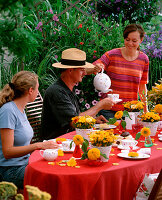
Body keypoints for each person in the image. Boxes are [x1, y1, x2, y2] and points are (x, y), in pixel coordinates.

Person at [0, 71, 59, 189]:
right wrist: (38, 146)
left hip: (25, 163)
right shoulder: (8, 111)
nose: (38, 92)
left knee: (58, 167)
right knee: (53, 179)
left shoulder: (20, 109)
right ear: (30, 90)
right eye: (37, 88)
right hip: (10, 171)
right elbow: (7, 152)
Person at [41, 48, 114, 140]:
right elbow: (74, 121)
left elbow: (75, 118)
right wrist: (100, 106)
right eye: (82, 70)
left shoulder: (67, 89)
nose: (84, 73)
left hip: (69, 140)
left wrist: (93, 121)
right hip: (56, 144)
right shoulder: (56, 92)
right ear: (70, 70)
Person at [86, 24, 149, 119]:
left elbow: (142, 87)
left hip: (130, 112)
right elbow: (87, 69)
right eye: (127, 40)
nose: (130, 43)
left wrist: (145, 110)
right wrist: (95, 68)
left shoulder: (144, 59)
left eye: (134, 41)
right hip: (108, 111)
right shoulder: (112, 55)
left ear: (141, 40)